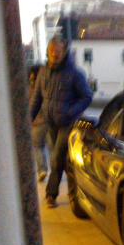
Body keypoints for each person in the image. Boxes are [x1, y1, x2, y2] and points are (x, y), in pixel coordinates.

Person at [29, 36, 92, 208]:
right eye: (51, 51)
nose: (54, 55)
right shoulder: (43, 71)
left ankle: (51, 194)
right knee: (64, 160)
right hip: (51, 122)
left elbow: (86, 96)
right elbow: (37, 97)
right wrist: (29, 117)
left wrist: (70, 112)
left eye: (57, 51)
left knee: (56, 157)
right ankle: (75, 192)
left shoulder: (75, 73)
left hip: (67, 123)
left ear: (64, 52)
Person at [28, 64, 51, 182]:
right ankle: (56, 172)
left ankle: (42, 170)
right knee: (52, 148)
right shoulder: (48, 85)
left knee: (38, 147)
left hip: (36, 124)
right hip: (49, 122)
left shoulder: (28, 90)